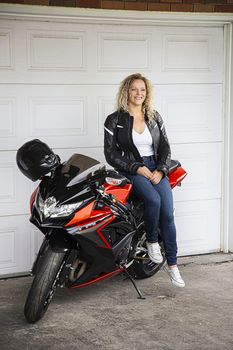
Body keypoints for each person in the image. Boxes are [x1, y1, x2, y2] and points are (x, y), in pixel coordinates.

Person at [104, 73, 185, 288]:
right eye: (134, 89)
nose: (138, 93)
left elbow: (165, 147)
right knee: (153, 200)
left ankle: (174, 266)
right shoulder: (114, 120)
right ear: (126, 92)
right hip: (132, 169)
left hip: (155, 168)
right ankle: (151, 241)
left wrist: (161, 169)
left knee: (168, 214)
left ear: (147, 93)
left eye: (142, 89)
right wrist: (135, 168)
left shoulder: (154, 117)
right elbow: (111, 155)